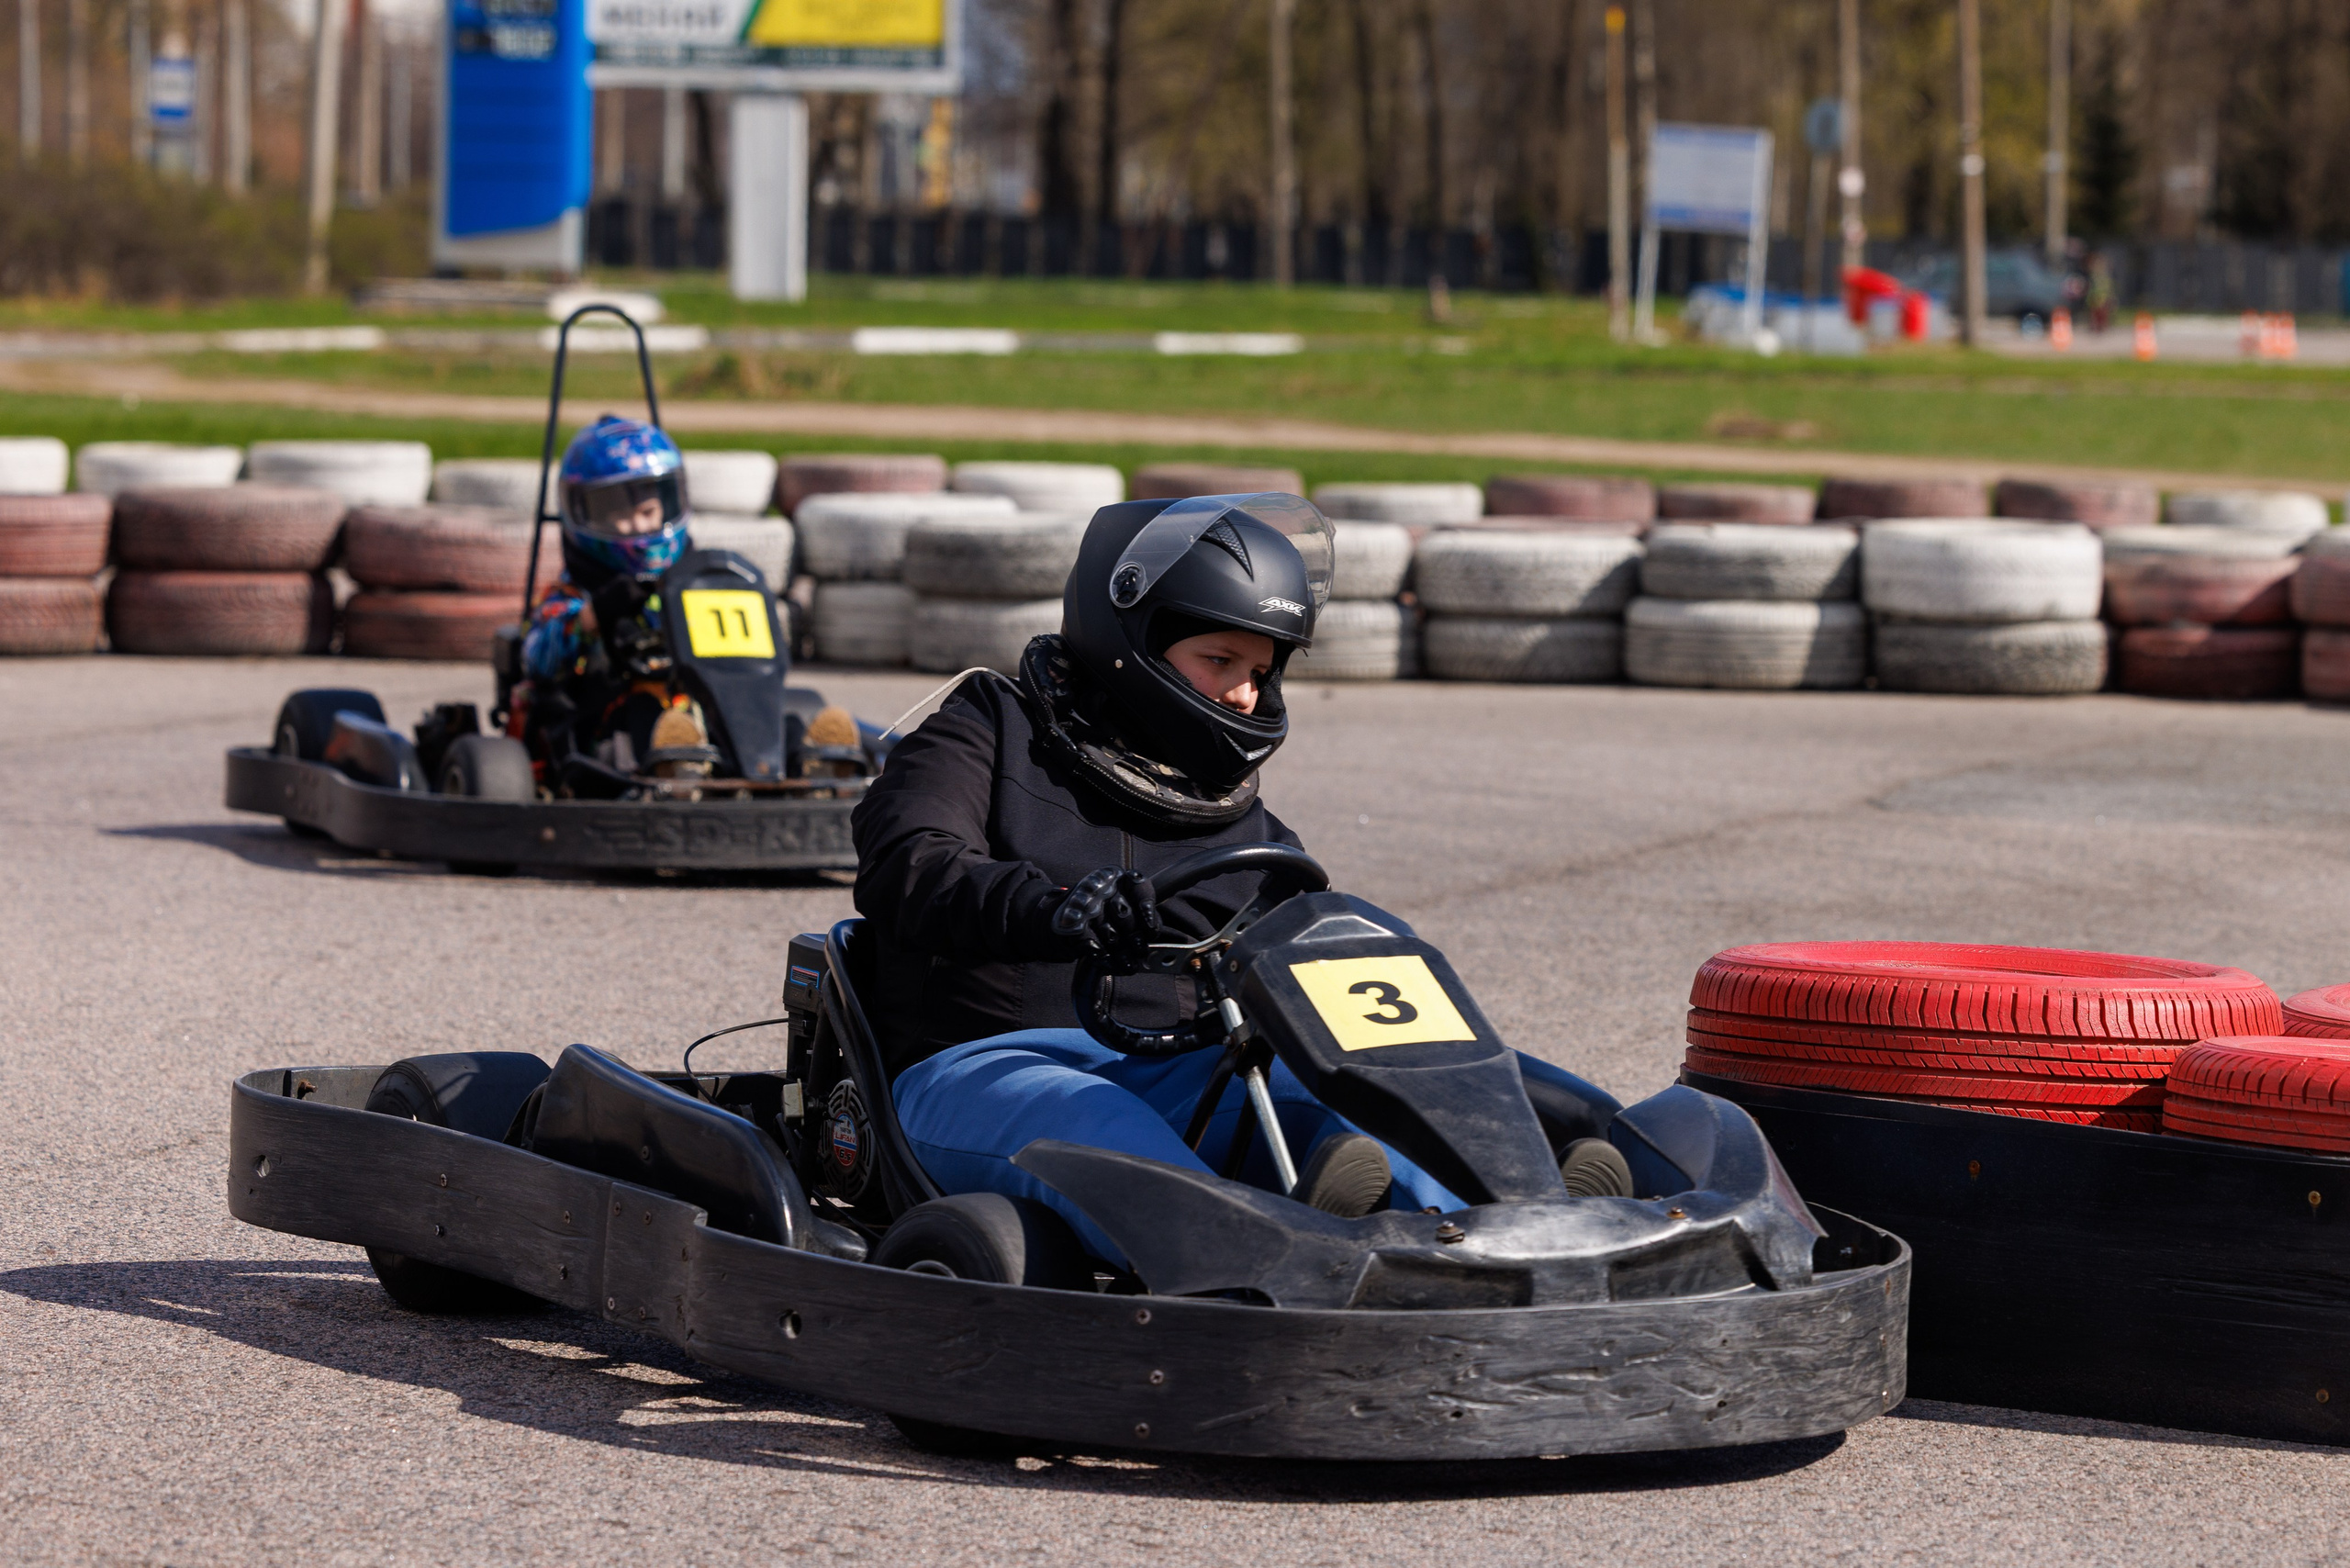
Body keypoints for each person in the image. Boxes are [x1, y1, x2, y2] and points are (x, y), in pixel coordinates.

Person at [853, 494, 1623, 1266]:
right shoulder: (988, 728)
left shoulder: (1241, 819)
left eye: (1260, 669)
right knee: (1096, 1124)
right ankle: (1259, 1264)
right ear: (1133, 640)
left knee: (1357, 1105)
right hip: (983, 1068)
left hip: (1184, 1074)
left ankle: (1512, 1238)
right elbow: (912, 862)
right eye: (1219, 660)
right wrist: (1053, 909)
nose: (1244, 694)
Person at [519, 415, 706, 791]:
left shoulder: (695, 582)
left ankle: (814, 763)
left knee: (787, 708)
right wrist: (595, 615)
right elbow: (537, 658)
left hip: (701, 707)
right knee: (641, 711)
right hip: (604, 725)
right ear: (584, 513)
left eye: (647, 512)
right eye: (621, 515)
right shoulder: (573, 593)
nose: (638, 527)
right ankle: (674, 774)